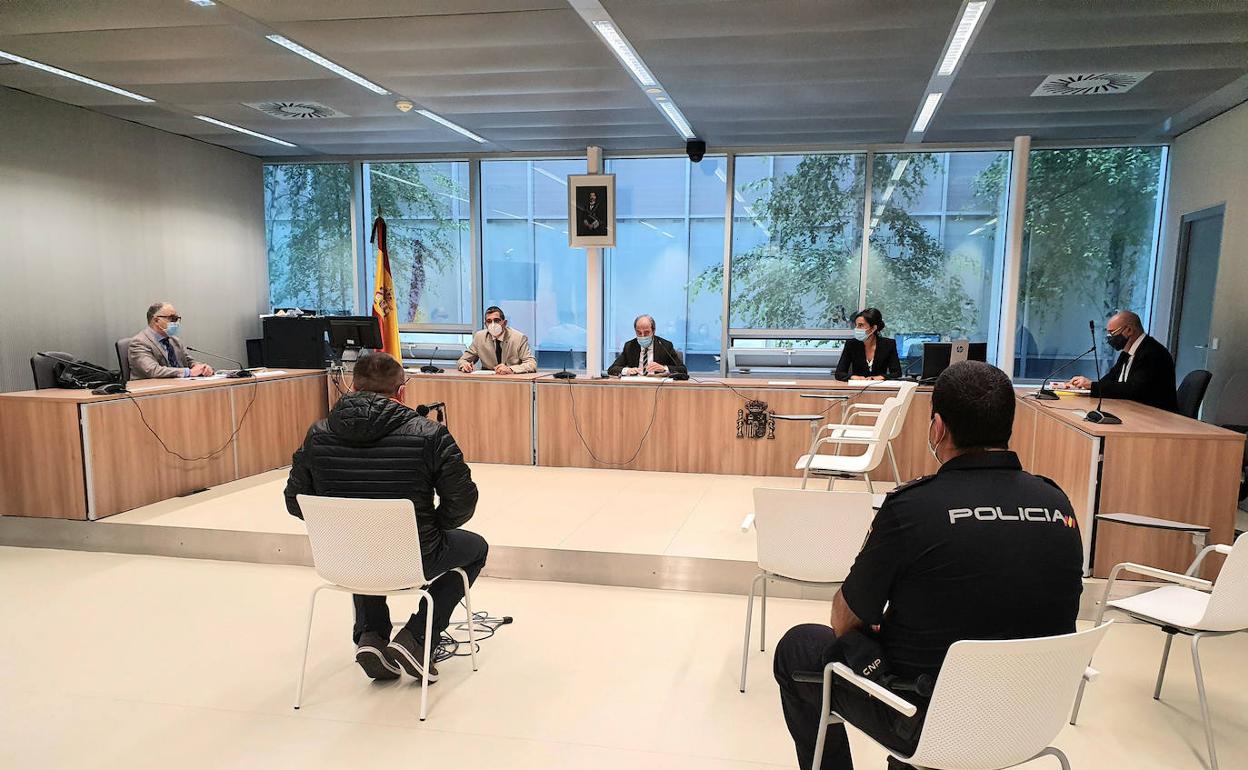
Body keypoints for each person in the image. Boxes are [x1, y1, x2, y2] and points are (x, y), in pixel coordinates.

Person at [773, 361, 1083, 770]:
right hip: (1032, 716)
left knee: (798, 647)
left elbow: (844, 619)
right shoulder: (1058, 504)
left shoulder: (912, 508)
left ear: (938, 428)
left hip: (927, 721)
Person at [284, 352, 486, 683]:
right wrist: (433, 529)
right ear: (401, 392)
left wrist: (337, 523)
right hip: (414, 557)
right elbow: (462, 502)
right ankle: (417, 637)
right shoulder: (430, 434)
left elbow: (296, 502)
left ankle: (372, 635)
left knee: (362, 537)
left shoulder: (318, 434)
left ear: (352, 387)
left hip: (342, 558)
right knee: (476, 549)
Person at [1063, 310, 1178, 413]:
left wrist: (1092, 386)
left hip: (1156, 416)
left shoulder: (1153, 353)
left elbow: (1133, 390)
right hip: (1132, 411)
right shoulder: (1127, 353)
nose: (1109, 338)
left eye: (1112, 333)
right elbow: (1110, 379)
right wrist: (1085, 386)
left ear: (1129, 330)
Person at [128, 301, 214, 379]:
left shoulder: (175, 341)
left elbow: (189, 361)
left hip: (179, 385)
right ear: (156, 320)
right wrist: (188, 372)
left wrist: (202, 368)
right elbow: (153, 370)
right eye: (172, 318)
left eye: (177, 319)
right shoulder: (139, 342)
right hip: (151, 389)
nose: (176, 323)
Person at [457, 306, 538, 374]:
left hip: (511, 379)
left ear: (505, 323)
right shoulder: (479, 337)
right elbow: (463, 360)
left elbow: (531, 364)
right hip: (488, 381)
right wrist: (465, 365)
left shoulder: (518, 338)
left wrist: (511, 369)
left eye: (496, 320)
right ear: (485, 324)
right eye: (489, 321)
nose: (493, 325)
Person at [607, 314, 688, 377]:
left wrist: (663, 368)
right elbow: (612, 369)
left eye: (646, 332)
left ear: (653, 331)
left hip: (658, 386)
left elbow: (682, 369)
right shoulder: (630, 346)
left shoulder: (665, 346)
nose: (642, 336)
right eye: (639, 333)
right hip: (636, 385)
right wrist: (627, 370)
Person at [834, 308, 901, 381]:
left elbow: (897, 373)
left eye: (860, 325)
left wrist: (881, 377)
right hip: (858, 386)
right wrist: (853, 377)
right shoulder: (851, 344)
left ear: (873, 328)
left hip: (879, 386)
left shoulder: (888, 344)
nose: (856, 329)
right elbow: (839, 373)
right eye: (856, 325)